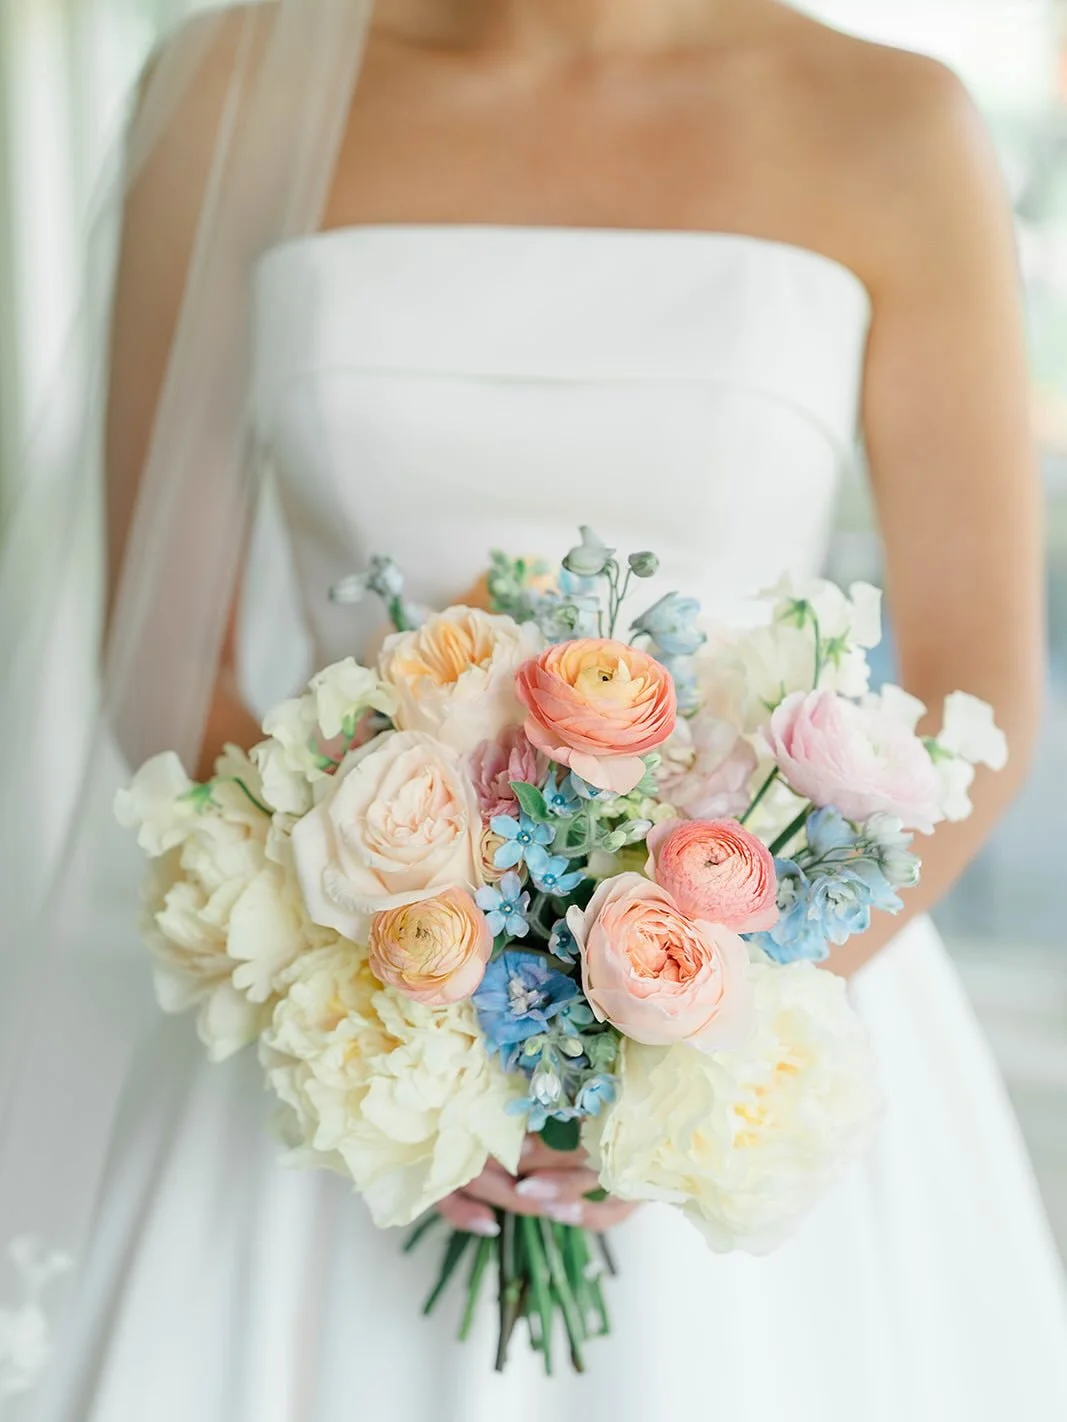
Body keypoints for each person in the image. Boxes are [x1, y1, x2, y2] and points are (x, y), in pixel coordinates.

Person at [5, 1, 1067, 1418]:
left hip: (755, 1045)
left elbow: (972, 689)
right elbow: (161, 655)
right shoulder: (226, 89)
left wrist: (674, 1046)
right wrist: (397, 1021)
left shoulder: (893, 122)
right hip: (346, 1038)